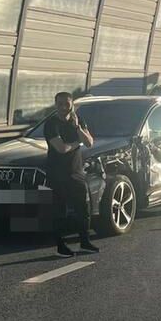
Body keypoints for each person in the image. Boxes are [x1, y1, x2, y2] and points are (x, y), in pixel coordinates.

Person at [44, 91, 97, 257]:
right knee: (59, 211)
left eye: (66, 104)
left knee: (83, 208)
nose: (63, 108)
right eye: (60, 104)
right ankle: (61, 246)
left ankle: (85, 242)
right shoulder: (51, 124)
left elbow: (89, 142)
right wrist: (77, 142)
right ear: (55, 105)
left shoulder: (78, 120)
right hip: (57, 173)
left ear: (72, 104)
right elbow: (61, 149)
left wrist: (77, 128)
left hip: (76, 172)